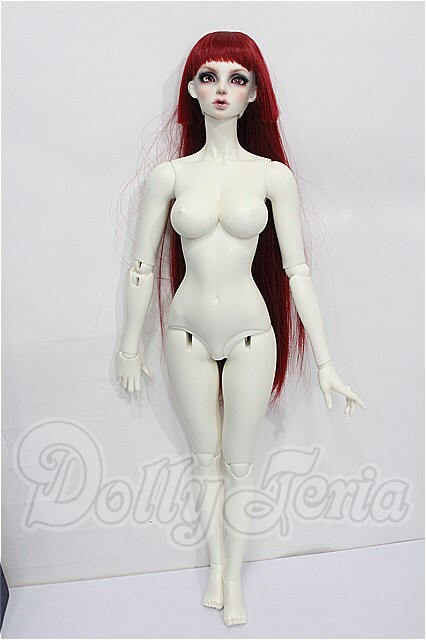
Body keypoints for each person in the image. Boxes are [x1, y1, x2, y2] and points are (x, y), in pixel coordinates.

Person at [115, 31, 367, 627]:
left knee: (240, 462)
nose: (222, 89)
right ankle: (215, 568)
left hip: (252, 332)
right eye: (209, 77)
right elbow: (141, 266)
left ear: (255, 93)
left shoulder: (272, 176)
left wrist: (326, 362)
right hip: (184, 333)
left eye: (237, 78)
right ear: (191, 90)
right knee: (204, 458)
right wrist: (129, 345)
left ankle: (233, 578)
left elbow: (297, 271)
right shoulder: (169, 177)